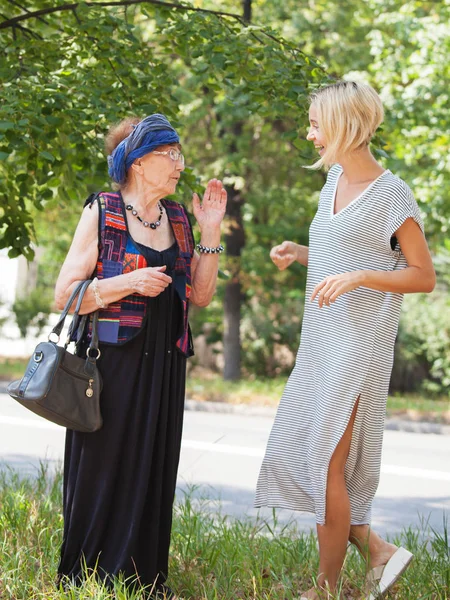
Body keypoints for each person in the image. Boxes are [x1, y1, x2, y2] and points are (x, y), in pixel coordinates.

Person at [255, 81, 436, 599]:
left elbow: (422, 275)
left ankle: (326, 588)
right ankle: (376, 552)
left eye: (315, 124)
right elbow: (341, 256)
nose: (309, 134)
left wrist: (359, 277)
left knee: (329, 462)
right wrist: (301, 252)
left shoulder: (391, 193)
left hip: (359, 345)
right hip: (320, 341)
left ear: (344, 125)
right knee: (317, 457)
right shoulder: (332, 180)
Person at [54, 113, 227, 598]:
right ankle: (88, 576)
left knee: (154, 466)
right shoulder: (103, 211)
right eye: (169, 154)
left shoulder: (176, 217)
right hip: (111, 366)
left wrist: (209, 232)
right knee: (104, 469)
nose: (180, 164)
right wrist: (127, 283)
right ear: (137, 161)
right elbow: (64, 293)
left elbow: (201, 296)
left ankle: (144, 580)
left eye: (179, 154)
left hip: (165, 365)